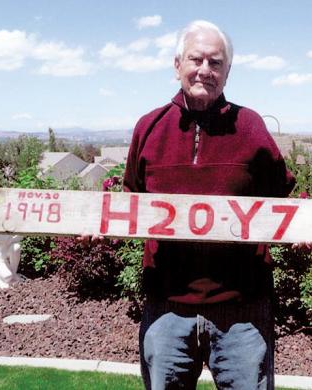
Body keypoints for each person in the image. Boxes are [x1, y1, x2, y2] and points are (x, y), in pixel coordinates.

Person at [123, 20, 295, 390]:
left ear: (228, 72)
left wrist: (304, 231)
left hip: (242, 311)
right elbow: (130, 204)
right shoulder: (148, 129)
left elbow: (282, 200)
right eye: (196, 59)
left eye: (215, 63)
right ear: (177, 65)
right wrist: (96, 228)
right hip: (167, 306)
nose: (205, 70)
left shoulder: (250, 128)